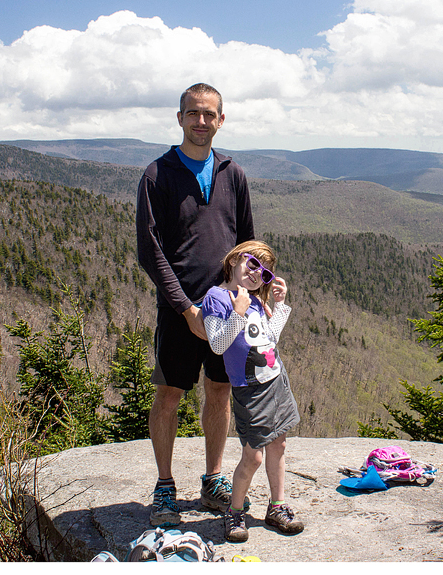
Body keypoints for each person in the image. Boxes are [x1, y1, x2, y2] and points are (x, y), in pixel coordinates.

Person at [136, 83, 255, 527]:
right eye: (193, 113)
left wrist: (250, 296)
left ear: (221, 120)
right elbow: (150, 250)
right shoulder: (158, 174)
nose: (200, 121)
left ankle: (213, 479)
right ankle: (165, 487)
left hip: (228, 307)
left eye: (209, 114)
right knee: (169, 394)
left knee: (219, 390)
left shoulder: (232, 173)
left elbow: (246, 243)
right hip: (178, 309)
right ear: (180, 117)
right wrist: (186, 309)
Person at [200, 240, 304, 543]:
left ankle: (277, 506)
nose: (258, 274)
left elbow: (269, 339)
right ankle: (234, 512)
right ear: (234, 260)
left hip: (276, 381)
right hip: (250, 390)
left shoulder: (256, 300)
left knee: (279, 446)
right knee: (254, 457)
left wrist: (280, 306)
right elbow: (218, 345)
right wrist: (239, 312)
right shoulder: (216, 298)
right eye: (252, 263)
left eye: (266, 274)